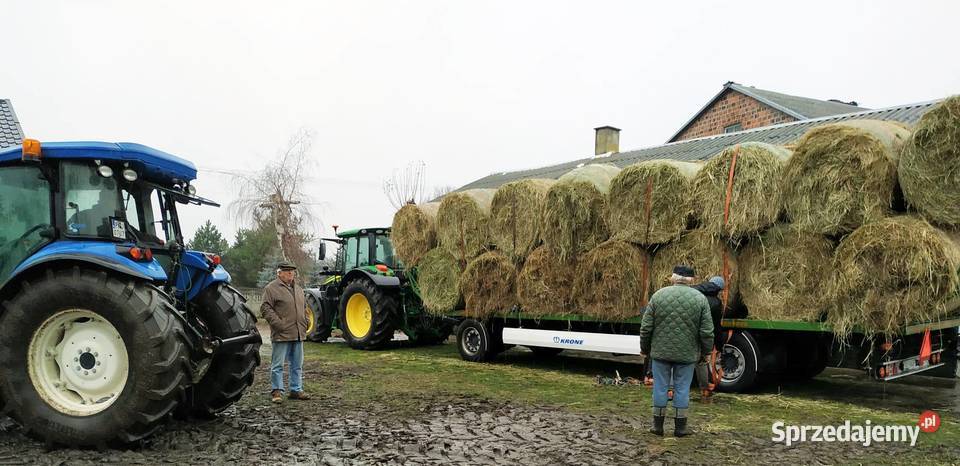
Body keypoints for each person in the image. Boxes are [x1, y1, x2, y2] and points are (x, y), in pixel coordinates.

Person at [640, 265, 714, 437]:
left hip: (660, 353)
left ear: (672, 278)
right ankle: (680, 428)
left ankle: (657, 426)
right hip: (687, 354)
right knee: (682, 389)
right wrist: (706, 352)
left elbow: (646, 327)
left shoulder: (658, 296)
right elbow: (707, 332)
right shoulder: (700, 299)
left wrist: (645, 348)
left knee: (660, 388)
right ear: (692, 280)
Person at [261, 261, 311, 403]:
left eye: (292, 271)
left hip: (298, 333)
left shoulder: (299, 289)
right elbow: (265, 308)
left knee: (297, 365)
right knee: (278, 365)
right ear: (279, 273)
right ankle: (277, 391)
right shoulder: (271, 288)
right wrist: (278, 324)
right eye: (287, 271)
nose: (291, 274)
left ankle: (296, 390)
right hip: (281, 333)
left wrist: (306, 321)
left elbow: (305, 308)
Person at [692, 276, 725, 399]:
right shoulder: (716, 303)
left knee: (679, 361)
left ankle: (671, 389)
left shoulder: (694, 292)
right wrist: (719, 345)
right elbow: (716, 326)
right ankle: (705, 389)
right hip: (703, 335)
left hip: (689, 331)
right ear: (719, 290)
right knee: (702, 361)